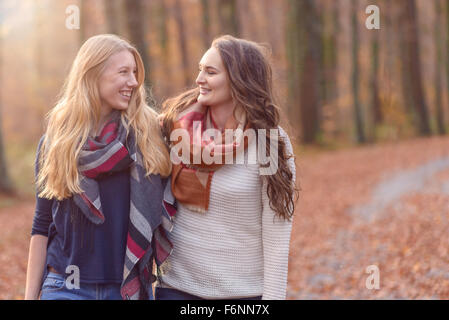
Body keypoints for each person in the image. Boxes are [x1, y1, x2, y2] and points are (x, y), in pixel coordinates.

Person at [24, 34, 173, 300]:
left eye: (135, 72)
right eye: (123, 72)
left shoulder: (147, 138)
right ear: (93, 74)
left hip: (128, 289)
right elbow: (42, 226)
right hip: (64, 288)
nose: (134, 82)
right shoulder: (57, 145)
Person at [157, 35, 298, 300]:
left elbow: (277, 237)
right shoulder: (175, 130)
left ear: (239, 80)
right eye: (200, 69)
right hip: (176, 289)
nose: (199, 79)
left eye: (210, 72)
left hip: (244, 295)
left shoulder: (268, 141)